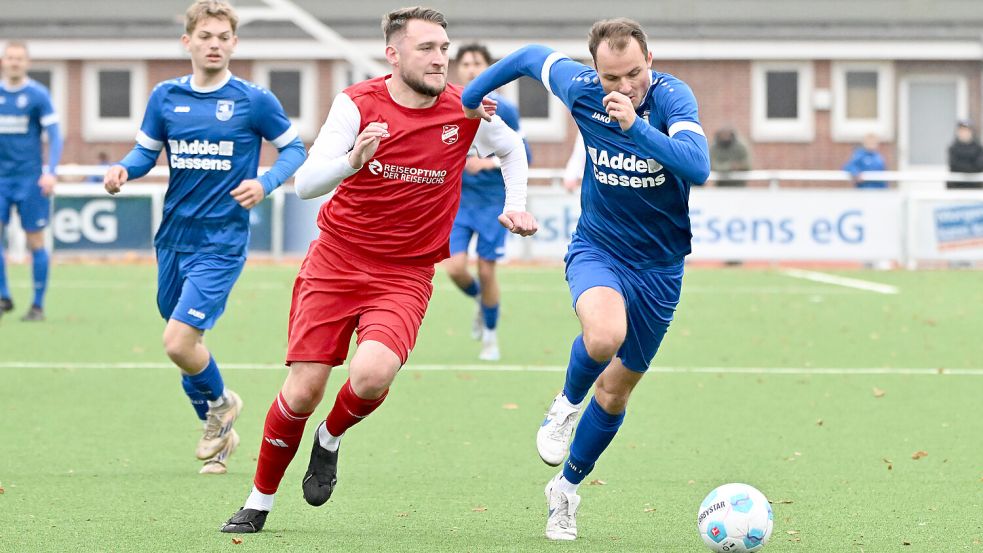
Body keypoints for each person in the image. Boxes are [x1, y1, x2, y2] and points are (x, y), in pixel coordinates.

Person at [220, 7, 536, 534]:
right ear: (393, 54)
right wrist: (352, 161)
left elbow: (512, 148)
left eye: (443, 48)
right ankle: (259, 501)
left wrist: (517, 202)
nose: (440, 59)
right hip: (336, 261)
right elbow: (305, 183)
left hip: (405, 273)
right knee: (303, 390)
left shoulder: (467, 107)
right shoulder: (357, 104)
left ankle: (330, 438)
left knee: (371, 375)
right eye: (426, 49)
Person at [462, 18, 710, 541]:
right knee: (603, 336)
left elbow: (697, 165)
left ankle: (565, 490)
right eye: (611, 77)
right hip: (599, 247)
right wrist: (471, 97)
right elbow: (530, 54)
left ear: (650, 60)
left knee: (617, 392)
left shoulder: (671, 98)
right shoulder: (580, 89)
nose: (624, 87)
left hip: (662, 266)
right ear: (594, 70)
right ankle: (566, 404)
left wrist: (636, 128)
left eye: (634, 73)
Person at [103, 0, 306, 475]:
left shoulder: (253, 100)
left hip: (221, 240)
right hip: (173, 237)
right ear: (188, 42)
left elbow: (294, 149)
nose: (214, 45)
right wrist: (121, 171)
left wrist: (266, 182)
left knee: (178, 340)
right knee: (187, 350)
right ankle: (219, 436)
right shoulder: (165, 97)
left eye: (223, 37)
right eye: (206, 36)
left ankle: (222, 404)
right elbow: (144, 153)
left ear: (234, 43)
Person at [445, 43, 529, 362]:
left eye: (477, 63)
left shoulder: (502, 108)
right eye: (465, 63)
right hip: (459, 202)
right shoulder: (450, 104)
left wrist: (488, 163)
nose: (471, 68)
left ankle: (491, 338)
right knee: (454, 268)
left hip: (492, 201)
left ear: (489, 69)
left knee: (487, 269)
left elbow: (525, 153)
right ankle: (483, 302)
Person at [0, 40, 62, 322]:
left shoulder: (38, 95)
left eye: (19, 58)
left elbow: (55, 135)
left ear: (27, 63)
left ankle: (37, 305)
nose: (14, 62)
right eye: (9, 58)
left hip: (30, 180)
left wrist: (50, 171)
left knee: (35, 240)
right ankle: (4, 297)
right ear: (3, 62)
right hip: (1, 179)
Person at [947, 119, 983, 189]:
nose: (964, 133)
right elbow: (954, 165)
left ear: (971, 132)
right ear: (958, 132)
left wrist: (963, 167)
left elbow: (979, 166)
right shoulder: (953, 148)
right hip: (956, 187)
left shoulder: (978, 148)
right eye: (962, 131)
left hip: (975, 188)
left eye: (966, 130)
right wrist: (971, 166)